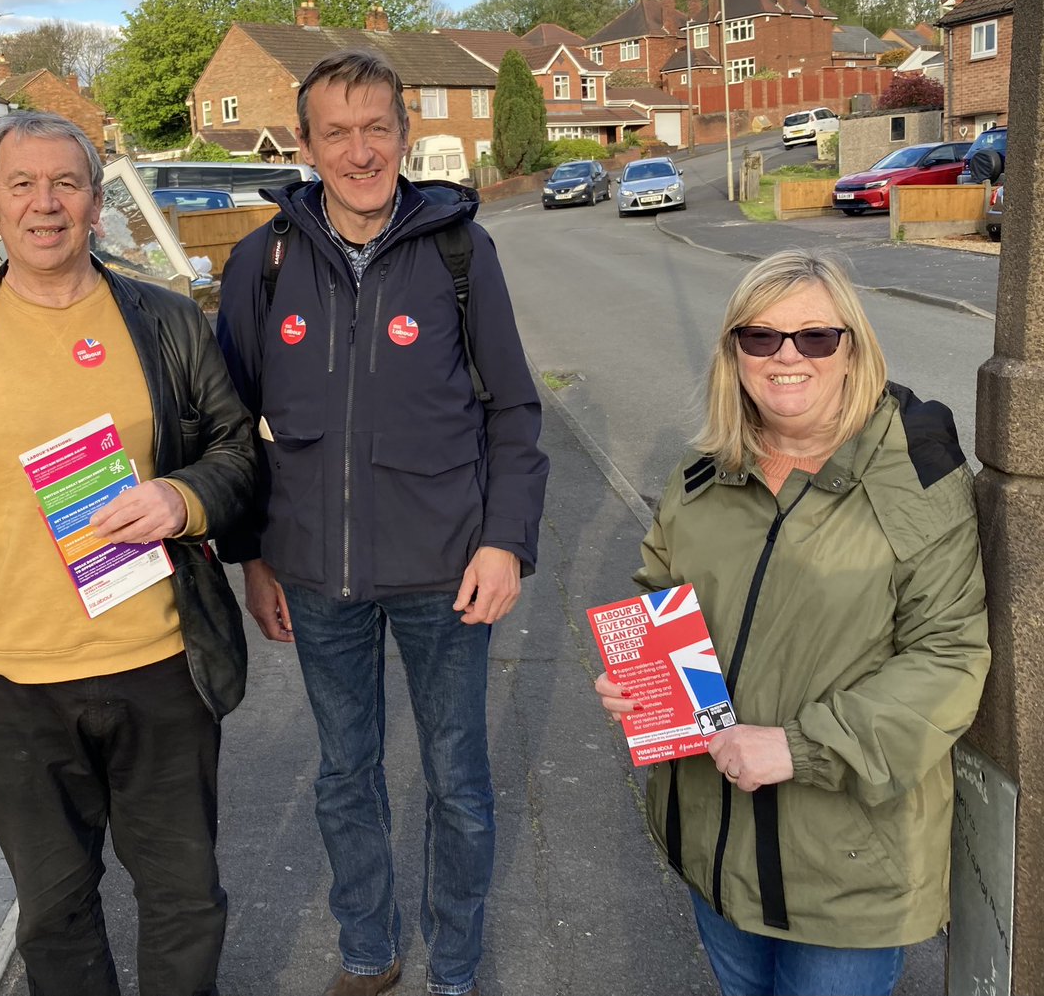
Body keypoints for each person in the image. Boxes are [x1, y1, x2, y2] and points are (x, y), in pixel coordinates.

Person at [0, 112, 255, 996]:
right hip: (12, 688)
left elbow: (238, 449)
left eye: (66, 184)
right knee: (54, 914)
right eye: (23, 185)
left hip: (161, 665)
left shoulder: (163, 322)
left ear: (94, 204)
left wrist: (180, 497)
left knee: (186, 899)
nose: (45, 204)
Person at [216, 49, 549, 996]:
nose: (360, 151)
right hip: (316, 575)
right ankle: (369, 951)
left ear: (404, 133)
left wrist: (505, 539)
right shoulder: (264, 259)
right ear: (308, 144)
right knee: (343, 778)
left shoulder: (458, 250)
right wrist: (253, 556)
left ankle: (454, 967)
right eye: (337, 132)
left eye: (377, 128)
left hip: (448, 570)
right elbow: (228, 421)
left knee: (459, 784)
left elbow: (515, 411)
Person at [595, 250, 989, 996]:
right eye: (761, 336)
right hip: (714, 842)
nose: (786, 357)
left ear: (853, 346)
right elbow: (658, 590)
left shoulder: (915, 474)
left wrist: (800, 747)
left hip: (846, 872)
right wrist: (636, 676)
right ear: (734, 351)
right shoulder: (705, 471)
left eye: (814, 337)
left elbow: (950, 655)